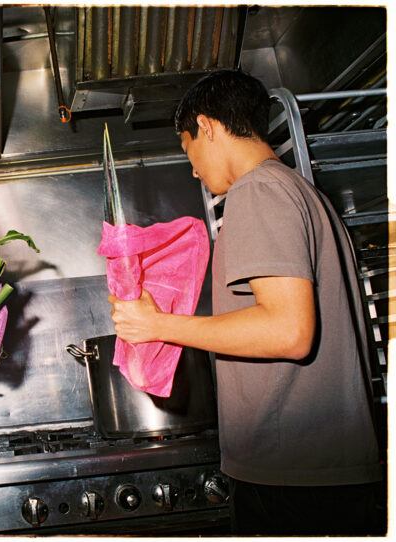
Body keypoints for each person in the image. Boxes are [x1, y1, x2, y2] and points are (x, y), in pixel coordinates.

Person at [109, 70, 384, 535]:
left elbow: (288, 332)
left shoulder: (258, 192)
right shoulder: (302, 192)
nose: (193, 168)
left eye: (188, 150)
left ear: (209, 127)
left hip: (294, 477)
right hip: (315, 472)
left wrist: (159, 326)